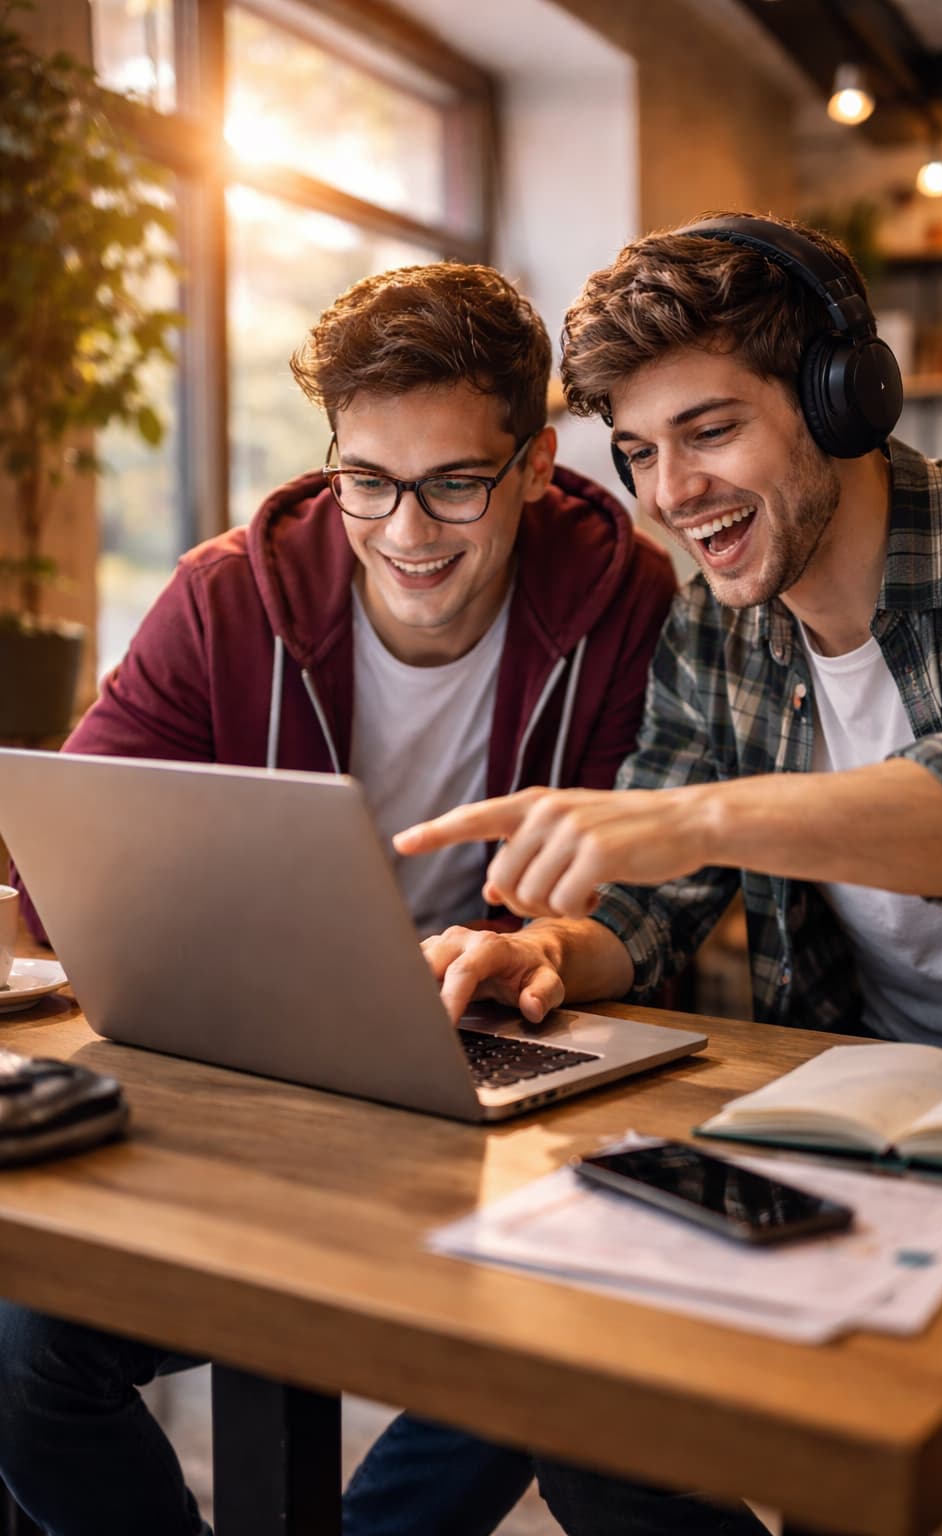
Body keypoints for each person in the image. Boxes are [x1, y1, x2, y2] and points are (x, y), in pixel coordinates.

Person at [0, 261, 676, 1536]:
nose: (407, 532)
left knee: (541, 1335)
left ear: (535, 465)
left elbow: (630, 890)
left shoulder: (623, 598)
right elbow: (64, 843)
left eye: (454, 484)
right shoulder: (228, 592)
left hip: (496, 1068)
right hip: (260, 1072)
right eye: (367, 481)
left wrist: (522, 947)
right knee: (19, 1351)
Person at [392, 214, 942, 1536]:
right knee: (591, 1411)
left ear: (843, 399)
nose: (671, 493)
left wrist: (700, 819)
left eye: (711, 430)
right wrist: (550, 951)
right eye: (638, 452)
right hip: (865, 1121)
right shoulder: (711, 627)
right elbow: (653, 903)